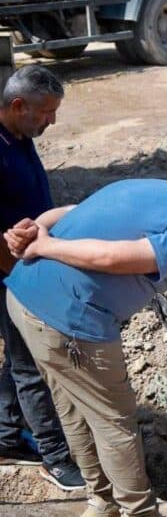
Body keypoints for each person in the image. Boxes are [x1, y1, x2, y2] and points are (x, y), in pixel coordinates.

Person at [4, 178, 167, 517]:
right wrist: (43, 246)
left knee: (74, 408)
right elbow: (112, 256)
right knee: (116, 421)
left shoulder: (163, 189)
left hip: (24, 296)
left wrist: (39, 228)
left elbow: (79, 211)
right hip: (72, 318)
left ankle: (101, 500)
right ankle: (138, 511)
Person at [0, 66, 84, 489]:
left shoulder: (19, 136)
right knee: (29, 362)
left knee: (17, 358)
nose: (51, 121)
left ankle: (6, 432)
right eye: (46, 112)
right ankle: (54, 456)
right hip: (8, 271)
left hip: (26, 263)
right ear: (18, 106)